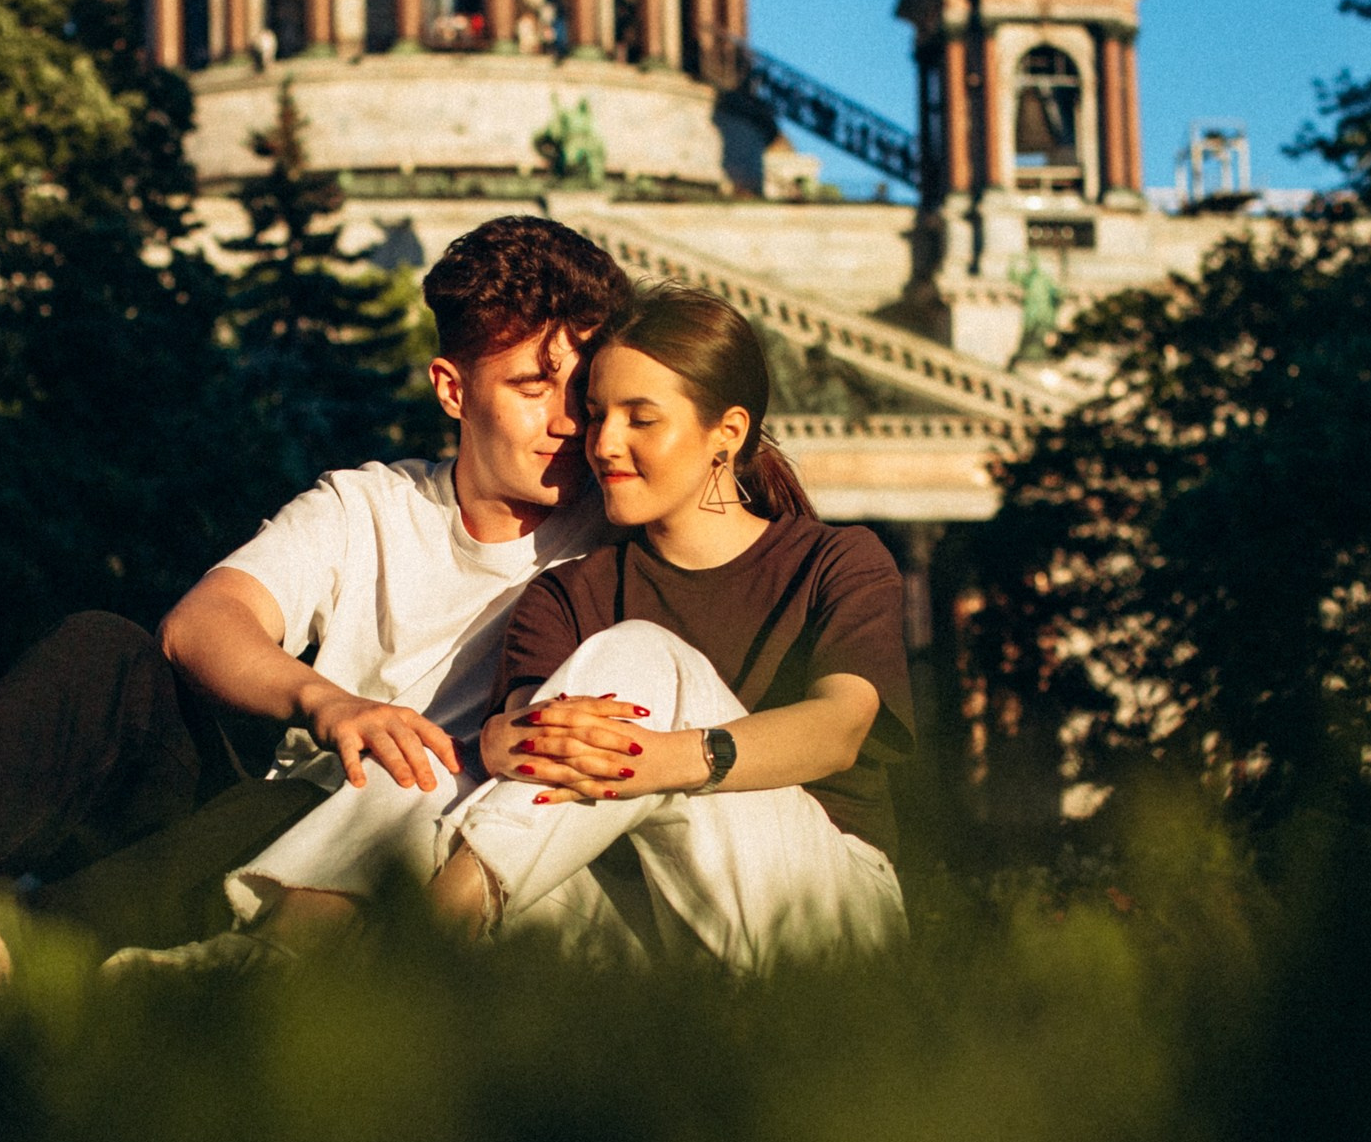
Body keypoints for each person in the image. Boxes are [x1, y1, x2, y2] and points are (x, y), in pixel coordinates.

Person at [0, 215, 631, 1003]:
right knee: (101, 652)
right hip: (257, 809)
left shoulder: (620, 528)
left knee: (314, 801)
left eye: (581, 389)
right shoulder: (370, 505)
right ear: (452, 390)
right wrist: (327, 701)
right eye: (531, 385)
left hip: (376, 853)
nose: (567, 421)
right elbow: (202, 623)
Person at [146, 287, 911, 974]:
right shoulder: (571, 590)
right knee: (428, 766)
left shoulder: (834, 560)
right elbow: (507, 745)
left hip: (827, 913)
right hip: (653, 921)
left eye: (640, 418)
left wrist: (664, 758)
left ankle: (404, 954)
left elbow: (840, 729)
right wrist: (525, 743)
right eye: (600, 414)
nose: (603, 443)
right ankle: (254, 962)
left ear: (727, 432)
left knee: (643, 660)